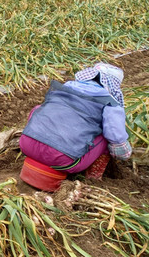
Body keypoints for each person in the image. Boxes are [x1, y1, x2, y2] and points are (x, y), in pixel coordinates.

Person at [19, 62, 132, 191]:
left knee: (40, 109)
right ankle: (92, 179)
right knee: (108, 136)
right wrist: (125, 153)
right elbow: (115, 136)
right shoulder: (110, 103)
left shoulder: (66, 87)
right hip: (63, 160)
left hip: (27, 145)